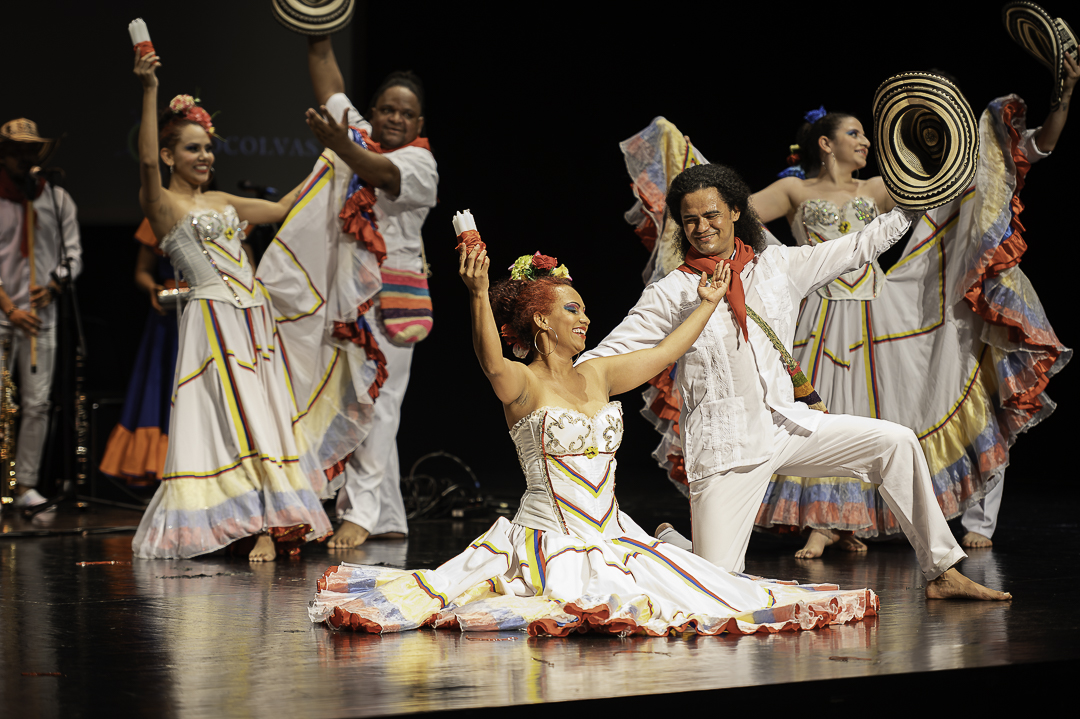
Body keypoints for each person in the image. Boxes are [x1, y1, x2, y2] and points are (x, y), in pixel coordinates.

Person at [306, 245, 882, 635]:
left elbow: (664, 354)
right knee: (577, 603)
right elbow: (488, 359)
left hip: (611, 533)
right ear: (540, 321)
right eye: (573, 309)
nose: (585, 319)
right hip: (547, 536)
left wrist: (707, 305)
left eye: (583, 309)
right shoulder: (523, 383)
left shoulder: (599, 374)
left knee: (702, 597)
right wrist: (479, 294)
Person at [582, 163, 1011, 600]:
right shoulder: (671, 292)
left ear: (734, 212)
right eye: (690, 219)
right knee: (716, 591)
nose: (701, 227)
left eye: (711, 215)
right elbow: (613, 351)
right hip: (727, 447)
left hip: (788, 425)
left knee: (896, 442)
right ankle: (672, 545)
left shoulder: (779, 265)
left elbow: (860, 245)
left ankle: (941, 570)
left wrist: (911, 207)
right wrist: (565, 378)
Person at [129, 48, 343, 561]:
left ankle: (273, 517)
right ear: (168, 156)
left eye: (208, 149)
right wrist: (150, 88)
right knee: (230, 416)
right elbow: (141, 161)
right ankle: (256, 522)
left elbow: (285, 206)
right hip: (212, 319)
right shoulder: (164, 205)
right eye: (192, 149)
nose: (205, 157)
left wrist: (334, 156)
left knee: (264, 414)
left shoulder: (223, 202)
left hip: (253, 320)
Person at [302, 34, 438, 548]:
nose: (396, 119)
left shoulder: (421, 164)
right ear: (374, 112)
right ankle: (385, 517)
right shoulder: (359, 134)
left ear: (419, 123)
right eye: (387, 109)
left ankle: (360, 512)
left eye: (407, 113)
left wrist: (342, 145)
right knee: (349, 403)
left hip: (390, 302)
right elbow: (327, 76)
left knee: (381, 405)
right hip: (344, 297)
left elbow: (377, 171)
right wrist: (318, 28)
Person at [0, 118, 82, 509]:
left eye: (31, 150)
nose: (25, 157)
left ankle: (25, 486)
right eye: (17, 150)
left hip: (39, 313)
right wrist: (9, 308)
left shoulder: (56, 198)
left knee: (37, 404)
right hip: (4, 311)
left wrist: (52, 286)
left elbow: (73, 255)